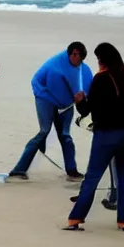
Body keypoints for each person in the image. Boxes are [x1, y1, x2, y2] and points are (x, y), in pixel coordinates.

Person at [65, 42, 124, 230]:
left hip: (107, 133)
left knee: (93, 175)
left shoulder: (101, 79)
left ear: (102, 61)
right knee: (123, 174)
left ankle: (76, 218)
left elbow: (88, 109)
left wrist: (79, 101)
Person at [9, 42, 91, 180]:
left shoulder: (83, 68)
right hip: (45, 99)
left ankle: (72, 170)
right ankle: (19, 169)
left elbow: (88, 89)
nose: (80, 63)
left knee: (65, 135)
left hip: (67, 104)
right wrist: (48, 99)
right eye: (79, 58)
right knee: (44, 131)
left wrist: (83, 98)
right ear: (73, 53)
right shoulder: (54, 67)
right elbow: (35, 81)